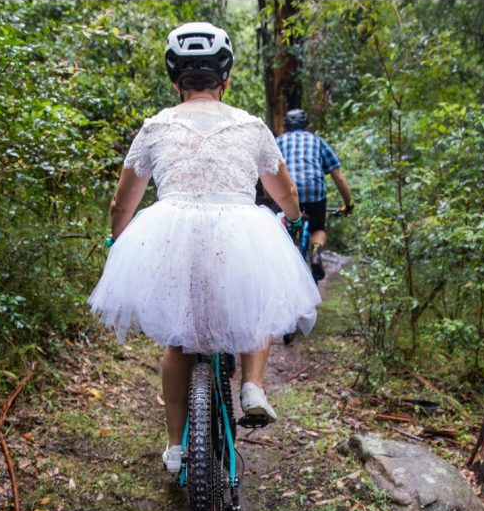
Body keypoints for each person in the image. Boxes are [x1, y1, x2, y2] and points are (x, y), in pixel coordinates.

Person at [88, 23, 320, 474]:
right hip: (239, 230)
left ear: (176, 81)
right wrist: (292, 219)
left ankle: (176, 449)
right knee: (254, 309)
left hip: (170, 233)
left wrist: (118, 238)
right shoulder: (251, 126)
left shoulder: (155, 127)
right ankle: (251, 386)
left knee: (179, 342)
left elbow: (123, 202)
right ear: (225, 79)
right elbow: (285, 190)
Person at [275, 108, 354, 281]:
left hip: (288, 192)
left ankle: (283, 261)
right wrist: (349, 204)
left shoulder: (278, 142)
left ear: (286, 125)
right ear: (305, 124)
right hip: (314, 193)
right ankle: (316, 253)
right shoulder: (318, 142)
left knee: (282, 227)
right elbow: (338, 178)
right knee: (317, 228)